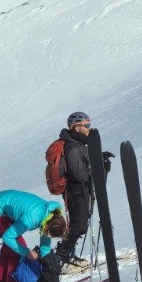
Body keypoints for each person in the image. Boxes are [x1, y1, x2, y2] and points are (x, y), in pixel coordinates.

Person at [0, 189, 67, 282]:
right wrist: (27, 252)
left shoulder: (50, 215)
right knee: (17, 253)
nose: (47, 235)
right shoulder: (32, 218)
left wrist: (45, 261)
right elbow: (8, 237)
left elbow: (45, 241)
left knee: (8, 251)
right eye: (48, 233)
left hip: (6, 204)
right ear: (47, 226)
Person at [52, 111, 107, 271]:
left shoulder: (79, 144)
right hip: (75, 192)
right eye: (86, 125)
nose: (89, 128)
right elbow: (80, 174)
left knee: (79, 224)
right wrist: (97, 167)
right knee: (79, 225)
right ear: (76, 127)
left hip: (81, 191)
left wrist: (100, 163)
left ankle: (66, 255)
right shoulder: (73, 148)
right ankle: (60, 258)